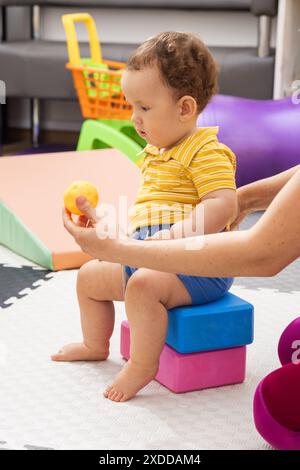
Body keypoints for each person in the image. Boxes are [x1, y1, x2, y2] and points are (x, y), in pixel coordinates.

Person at [52, 31, 239, 403]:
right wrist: (101, 219)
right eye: (131, 107)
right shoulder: (155, 152)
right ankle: (94, 343)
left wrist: (176, 235)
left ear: (185, 109)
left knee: (142, 288)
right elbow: (145, 219)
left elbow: (223, 204)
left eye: (145, 108)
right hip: (150, 256)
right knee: (88, 277)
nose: (135, 119)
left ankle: (142, 365)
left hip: (199, 265)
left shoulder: (205, 150)